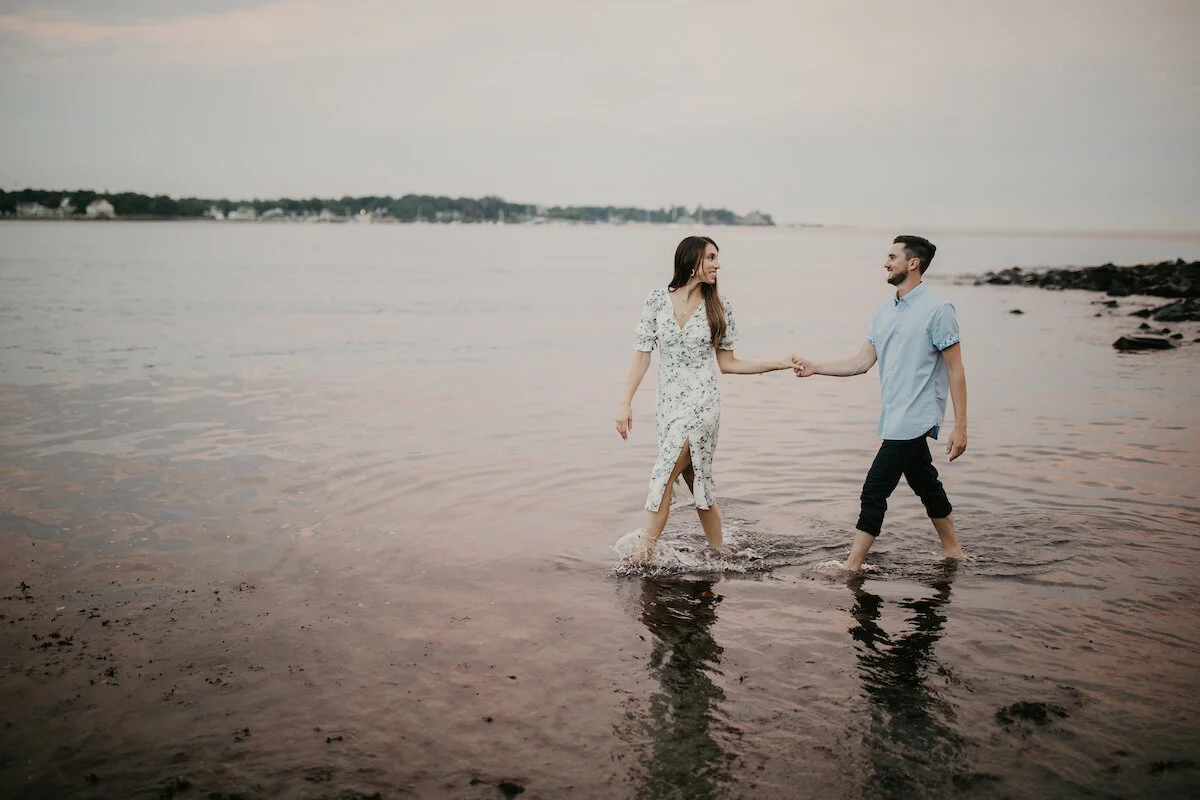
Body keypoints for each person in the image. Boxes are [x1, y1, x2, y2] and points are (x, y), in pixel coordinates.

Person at [792, 235, 967, 571]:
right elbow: (862, 361)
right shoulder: (884, 311)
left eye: (892, 256)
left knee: (874, 490)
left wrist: (960, 427)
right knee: (926, 484)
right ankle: (954, 552)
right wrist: (817, 368)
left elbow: (956, 370)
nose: (885, 262)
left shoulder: (938, 310)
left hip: (915, 416)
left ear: (912, 263)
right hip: (893, 415)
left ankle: (852, 566)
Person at [617, 236, 793, 564]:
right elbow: (642, 357)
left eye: (717, 258)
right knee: (696, 479)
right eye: (711, 257)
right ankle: (720, 551)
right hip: (668, 408)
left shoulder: (720, 308)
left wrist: (778, 364)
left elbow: (728, 364)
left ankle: (640, 560)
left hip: (702, 405)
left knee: (663, 474)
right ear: (691, 259)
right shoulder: (657, 301)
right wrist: (625, 401)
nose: (717, 264)